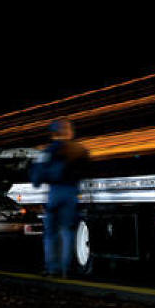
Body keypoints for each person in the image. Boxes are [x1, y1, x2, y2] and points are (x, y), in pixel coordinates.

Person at [30, 119, 89, 277]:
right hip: (72, 193)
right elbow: (87, 170)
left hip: (55, 193)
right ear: (69, 131)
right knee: (68, 231)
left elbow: (37, 177)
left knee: (50, 233)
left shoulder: (47, 152)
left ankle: (52, 269)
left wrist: (39, 179)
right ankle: (67, 269)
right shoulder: (81, 150)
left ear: (53, 133)